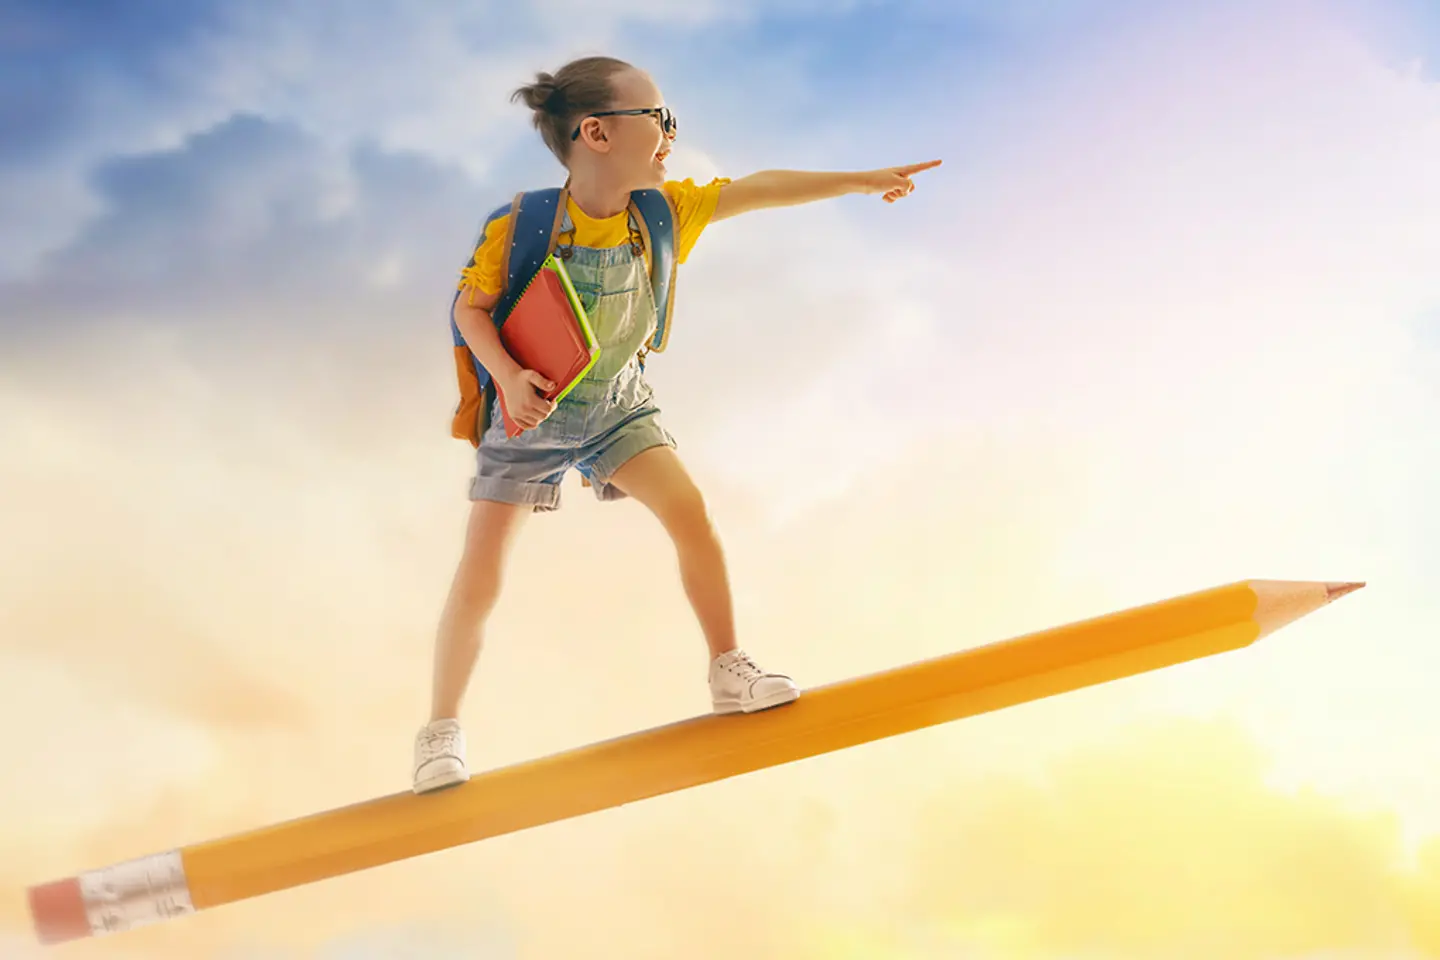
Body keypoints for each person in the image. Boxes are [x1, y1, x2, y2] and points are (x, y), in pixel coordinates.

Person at [414, 54, 941, 794]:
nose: (669, 135)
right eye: (657, 119)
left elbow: (756, 190)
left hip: (617, 405)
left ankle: (727, 667)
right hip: (531, 411)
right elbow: (470, 308)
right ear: (596, 133)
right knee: (482, 573)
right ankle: (441, 730)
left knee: (689, 512)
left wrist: (860, 180)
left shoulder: (663, 213)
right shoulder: (525, 224)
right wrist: (506, 376)